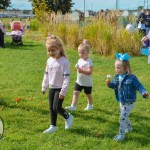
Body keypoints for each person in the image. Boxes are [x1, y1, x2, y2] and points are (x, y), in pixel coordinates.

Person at [106, 53, 150, 141]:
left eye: (118, 68)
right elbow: (114, 85)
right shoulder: (117, 77)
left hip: (129, 102)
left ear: (125, 68)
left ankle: (121, 135)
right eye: (115, 68)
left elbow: (139, 86)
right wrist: (109, 84)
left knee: (122, 118)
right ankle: (129, 128)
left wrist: (144, 93)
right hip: (121, 100)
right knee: (124, 116)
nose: (116, 70)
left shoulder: (132, 78)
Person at [41, 34, 74, 133]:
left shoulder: (64, 62)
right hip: (51, 87)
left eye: (53, 50)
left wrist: (63, 92)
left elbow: (66, 78)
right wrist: (44, 86)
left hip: (60, 88)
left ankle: (68, 117)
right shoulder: (49, 61)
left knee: (57, 107)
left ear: (59, 48)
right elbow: (46, 74)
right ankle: (53, 126)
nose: (51, 52)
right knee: (51, 108)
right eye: (49, 50)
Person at [65, 39, 93, 111]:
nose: (81, 54)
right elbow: (79, 69)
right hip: (79, 81)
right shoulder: (79, 60)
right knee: (75, 92)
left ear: (88, 52)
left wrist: (81, 70)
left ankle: (90, 105)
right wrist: (77, 68)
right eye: (79, 52)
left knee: (88, 94)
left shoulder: (89, 62)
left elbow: (90, 72)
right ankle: (73, 106)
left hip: (87, 83)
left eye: (83, 53)